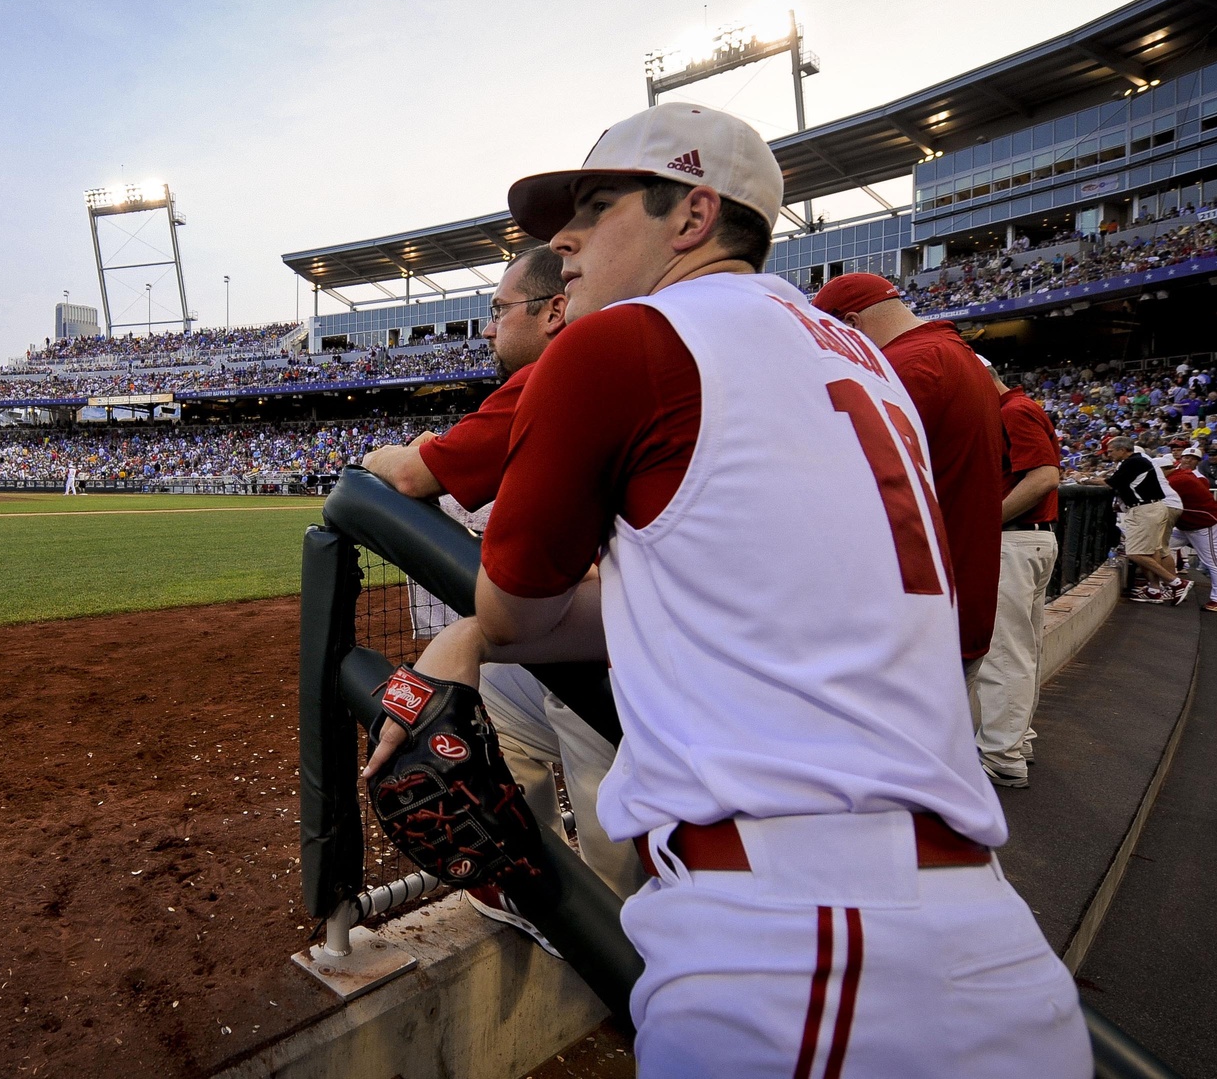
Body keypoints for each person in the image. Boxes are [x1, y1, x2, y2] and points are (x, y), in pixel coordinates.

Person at [373, 102, 1087, 1074]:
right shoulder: (858, 360)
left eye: (595, 205)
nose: (564, 238)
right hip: (971, 924)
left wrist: (469, 637)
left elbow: (513, 608)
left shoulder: (620, 343)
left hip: (795, 950)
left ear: (692, 214)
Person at [364, 247, 643, 945]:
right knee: (496, 708)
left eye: (496, 310)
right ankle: (528, 887)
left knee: (622, 872)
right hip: (615, 627)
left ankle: (620, 956)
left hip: (632, 659)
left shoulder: (566, 364)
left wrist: (383, 456)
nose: (487, 329)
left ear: (553, 311)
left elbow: (407, 476)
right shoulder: (607, 354)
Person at [811, 272, 1004, 681]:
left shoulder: (906, 363)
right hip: (958, 596)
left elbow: (860, 490)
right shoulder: (958, 353)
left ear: (850, 326)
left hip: (919, 613)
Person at [973, 363, 1063, 789]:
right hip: (1031, 541)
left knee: (1004, 654)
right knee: (1022, 651)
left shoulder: (1013, 409)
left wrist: (988, 519)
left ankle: (1001, 755)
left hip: (1015, 541)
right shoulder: (1020, 406)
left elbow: (1045, 477)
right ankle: (1016, 739)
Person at [1103, 435, 1187, 603]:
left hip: (1145, 509)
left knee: (1134, 553)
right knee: (1153, 550)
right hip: (1153, 507)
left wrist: (1083, 479)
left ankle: (1176, 583)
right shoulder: (1137, 461)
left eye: (1111, 451)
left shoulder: (1134, 462)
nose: (1108, 454)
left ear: (1122, 450)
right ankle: (1154, 590)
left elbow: (1111, 483)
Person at [1165, 447, 1217, 613]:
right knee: (1162, 546)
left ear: (1198, 462)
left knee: (1212, 562)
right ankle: (1172, 585)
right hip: (1185, 525)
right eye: (1186, 457)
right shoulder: (1180, 474)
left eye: (1192, 458)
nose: (1187, 460)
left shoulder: (1193, 478)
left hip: (1203, 524)